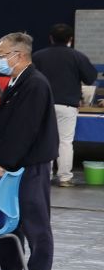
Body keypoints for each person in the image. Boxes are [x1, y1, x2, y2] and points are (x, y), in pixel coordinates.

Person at [0, 33, 58, 270]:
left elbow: (24, 129)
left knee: (35, 222)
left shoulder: (35, 83)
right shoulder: (18, 81)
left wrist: (4, 163)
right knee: (10, 222)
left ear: (20, 55)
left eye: (3, 55)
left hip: (29, 165)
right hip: (16, 165)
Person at [33, 24, 96, 187]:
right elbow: (90, 78)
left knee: (44, 140)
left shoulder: (38, 56)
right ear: (70, 39)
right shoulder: (78, 56)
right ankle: (65, 178)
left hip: (42, 104)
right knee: (65, 142)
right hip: (67, 105)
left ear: (51, 38)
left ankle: (44, 175)